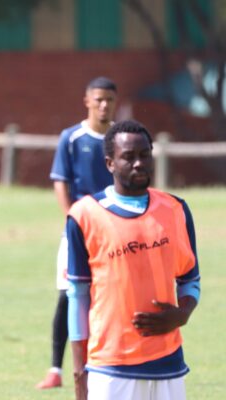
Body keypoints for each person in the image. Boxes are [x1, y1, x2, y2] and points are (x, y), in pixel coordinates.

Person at [67, 120, 200, 400]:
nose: (138, 163)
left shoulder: (176, 209)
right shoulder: (84, 215)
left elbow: (190, 279)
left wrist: (183, 314)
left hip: (168, 361)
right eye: (128, 157)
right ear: (110, 163)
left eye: (144, 155)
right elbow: (77, 296)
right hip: (110, 366)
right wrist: (80, 371)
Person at [37, 77, 118, 389]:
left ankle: (105, 363)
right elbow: (61, 182)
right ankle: (56, 369)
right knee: (67, 297)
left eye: (109, 100)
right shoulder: (71, 138)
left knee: (111, 297)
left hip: (115, 233)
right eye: (98, 99)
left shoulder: (120, 138)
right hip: (78, 232)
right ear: (87, 100)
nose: (103, 105)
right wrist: (74, 221)